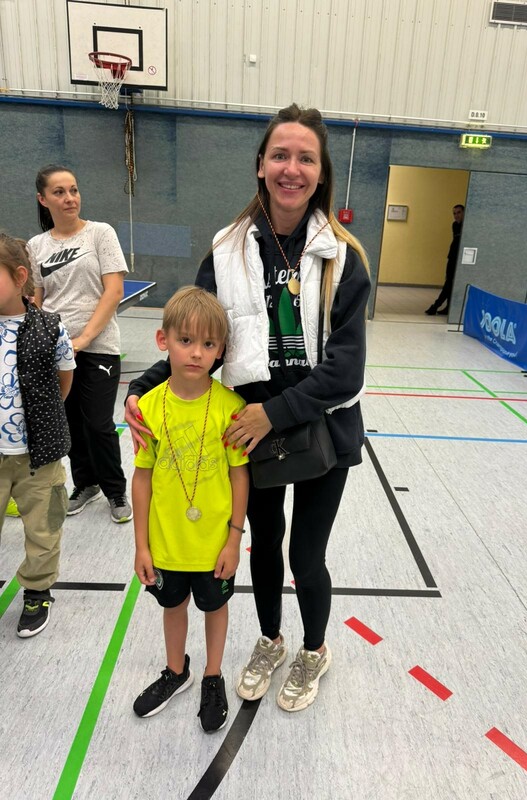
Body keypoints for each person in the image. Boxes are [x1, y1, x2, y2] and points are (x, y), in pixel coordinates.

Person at [126, 103, 371, 713]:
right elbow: (198, 334)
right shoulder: (226, 250)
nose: (292, 168)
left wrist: (274, 413)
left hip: (321, 432)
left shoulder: (344, 257)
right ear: (261, 164)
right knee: (264, 542)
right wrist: (143, 389)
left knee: (305, 555)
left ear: (321, 172)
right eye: (280, 155)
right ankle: (269, 639)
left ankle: (313, 649)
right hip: (250, 433)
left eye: (305, 158)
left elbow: (346, 370)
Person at [131, 286, 249, 732]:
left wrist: (234, 539)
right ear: (163, 340)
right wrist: (142, 546)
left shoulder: (230, 409)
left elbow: (240, 476)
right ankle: (176, 670)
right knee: (173, 606)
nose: (197, 353)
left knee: (215, 608)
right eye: (185, 340)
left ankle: (213, 675)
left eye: (208, 343)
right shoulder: (147, 408)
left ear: (221, 350)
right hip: (166, 543)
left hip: (215, 544)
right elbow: (142, 478)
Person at [28, 165, 133, 523]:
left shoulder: (100, 234)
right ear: (43, 199)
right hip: (56, 351)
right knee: (71, 422)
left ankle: (115, 491)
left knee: (99, 423)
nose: (69, 198)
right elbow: (37, 300)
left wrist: (83, 339)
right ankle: (86, 484)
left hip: (98, 346)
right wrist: (42, 341)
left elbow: (114, 291)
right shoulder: (36, 246)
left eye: (73, 190)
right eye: (59, 192)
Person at [0, 233, 75, 637]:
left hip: (39, 457)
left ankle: (37, 590)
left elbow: (64, 378)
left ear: (19, 277)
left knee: (43, 528)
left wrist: (41, 420)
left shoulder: (50, 327)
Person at [425, 203, 464, 315]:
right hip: (452, 257)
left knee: (450, 284)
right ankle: (447, 307)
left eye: (459, 213)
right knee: (449, 282)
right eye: (454, 213)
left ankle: (436, 306)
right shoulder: (455, 225)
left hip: (460, 259)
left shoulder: (466, 226)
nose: (456, 215)